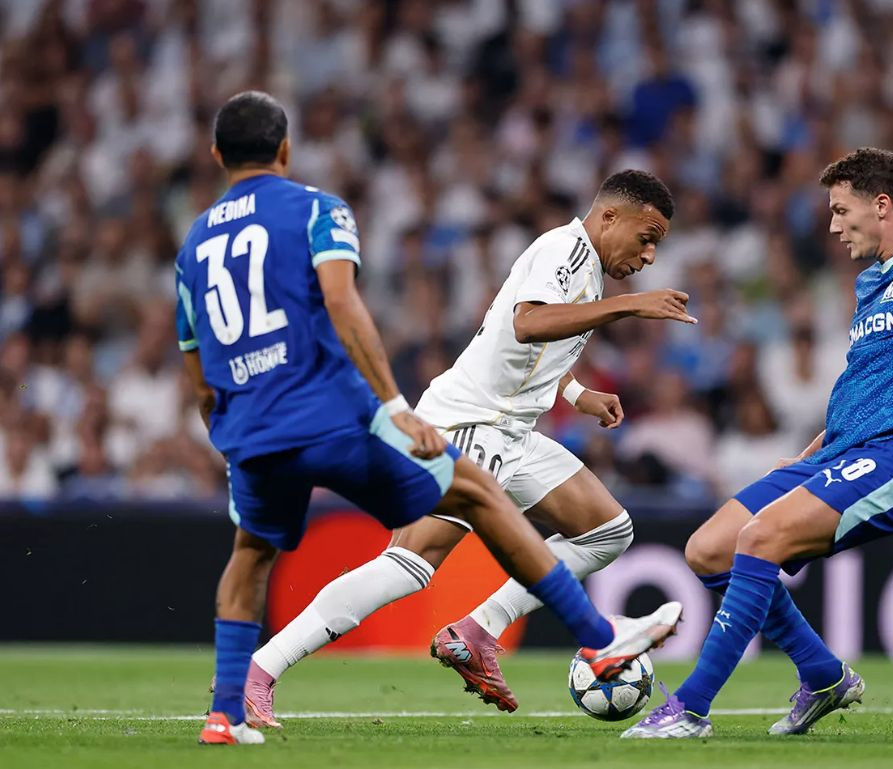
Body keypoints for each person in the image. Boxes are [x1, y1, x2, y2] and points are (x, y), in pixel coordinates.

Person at [178, 92, 682, 746]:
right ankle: (262, 667)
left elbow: (514, 339)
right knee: (411, 563)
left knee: (607, 529)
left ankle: (477, 630)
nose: (648, 257)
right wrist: (630, 306)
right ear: (609, 215)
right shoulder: (563, 251)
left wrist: (579, 392)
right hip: (470, 420)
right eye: (647, 239)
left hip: (510, 427)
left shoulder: (584, 270)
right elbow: (528, 322)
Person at [623, 147, 893, 739]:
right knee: (708, 549)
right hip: (841, 452)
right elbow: (869, 383)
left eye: (842, 211)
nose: (834, 226)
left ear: (882, 205)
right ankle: (823, 675)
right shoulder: (872, 283)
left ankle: (689, 708)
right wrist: (818, 446)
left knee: (759, 538)